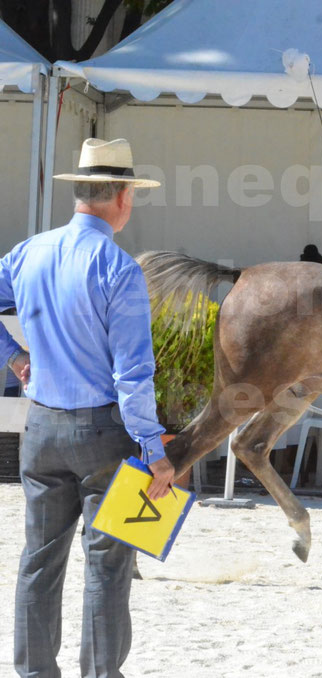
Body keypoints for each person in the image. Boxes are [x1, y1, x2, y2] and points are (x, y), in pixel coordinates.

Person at [1, 138, 174, 677]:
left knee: (38, 562)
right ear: (122, 197)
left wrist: (13, 357)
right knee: (107, 567)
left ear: (80, 193)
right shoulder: (119, 269)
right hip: (105, 432)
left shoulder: (28, 251)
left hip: (42, 427)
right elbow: (132, 375)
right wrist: (155, 450)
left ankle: (33, 674)